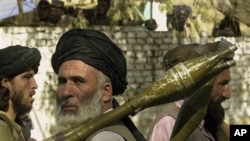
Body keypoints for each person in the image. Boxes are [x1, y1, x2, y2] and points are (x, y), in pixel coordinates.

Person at [50, 28, 146, 141]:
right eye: (62, 81)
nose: (66, 92)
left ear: (105, 92)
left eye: (78, 81)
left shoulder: (104, 138)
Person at [148, 39, 233, 141]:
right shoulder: (169, 124)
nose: (227, 94)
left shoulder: (209, 121)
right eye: (222, 84)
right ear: (196, 84)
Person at [0, 45, 41, 141]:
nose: (35, 85)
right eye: (27, 77)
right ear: (6, 83)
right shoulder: (2, 128)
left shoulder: (15, 127)